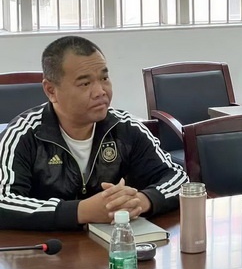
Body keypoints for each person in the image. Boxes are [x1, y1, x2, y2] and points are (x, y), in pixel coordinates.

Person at [0, 36, 188, 231]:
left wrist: (141, 201)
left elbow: (180, 179)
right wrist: (81, 211)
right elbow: (3, 200)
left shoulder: (125, 127)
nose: (100, 92)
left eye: (104, 79)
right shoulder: (24, 135)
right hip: (47, 245)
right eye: (85, 83)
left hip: (114, 243)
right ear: (51, 91)